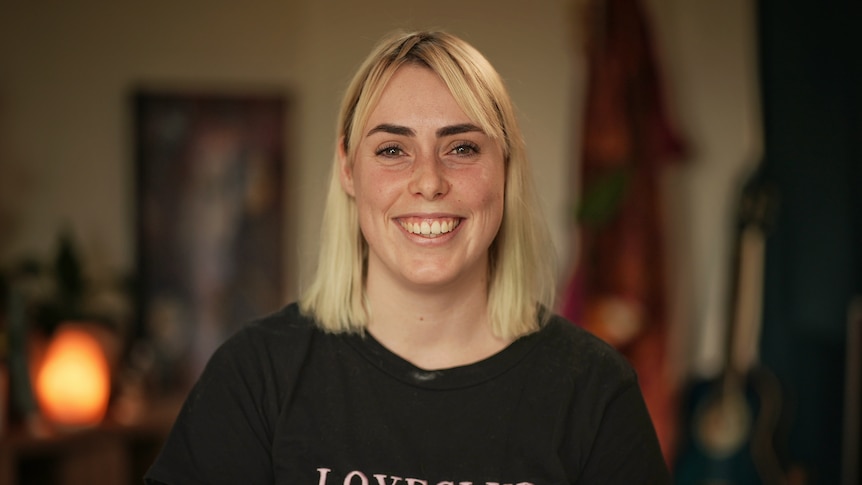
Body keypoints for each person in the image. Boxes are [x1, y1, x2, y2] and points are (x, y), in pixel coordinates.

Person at [144, 30, 669, 485]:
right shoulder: (256, 376)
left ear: (504, 167)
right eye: (392, 150)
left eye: (461, 147)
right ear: (349, 170)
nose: (428, 181)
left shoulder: (595, 392)